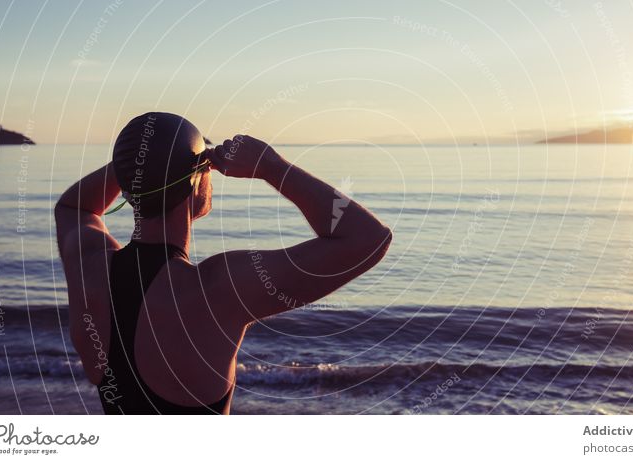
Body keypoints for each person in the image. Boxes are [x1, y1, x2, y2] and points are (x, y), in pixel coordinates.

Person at [55, 112, 392, 414]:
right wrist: (271, 166)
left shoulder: (90, 268)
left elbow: (74, 208)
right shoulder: (214, 290)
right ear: (195, 178)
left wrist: (136, 163)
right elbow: (368, 239)